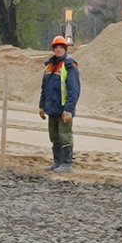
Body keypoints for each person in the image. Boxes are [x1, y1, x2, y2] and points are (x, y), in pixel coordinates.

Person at [40, 35, 81, 173]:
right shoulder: (50, 66)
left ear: (65, 49)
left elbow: (73, 90)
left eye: (60, 47)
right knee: (54, 136)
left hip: (64, 109)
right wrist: (42, 106)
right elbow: (44, 88)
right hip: (52, 109)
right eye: (56, 47)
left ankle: (66, 163)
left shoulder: (69, 65)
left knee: (65, 136)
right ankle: (57, 162)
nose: (58, 50)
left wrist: (68, 109)